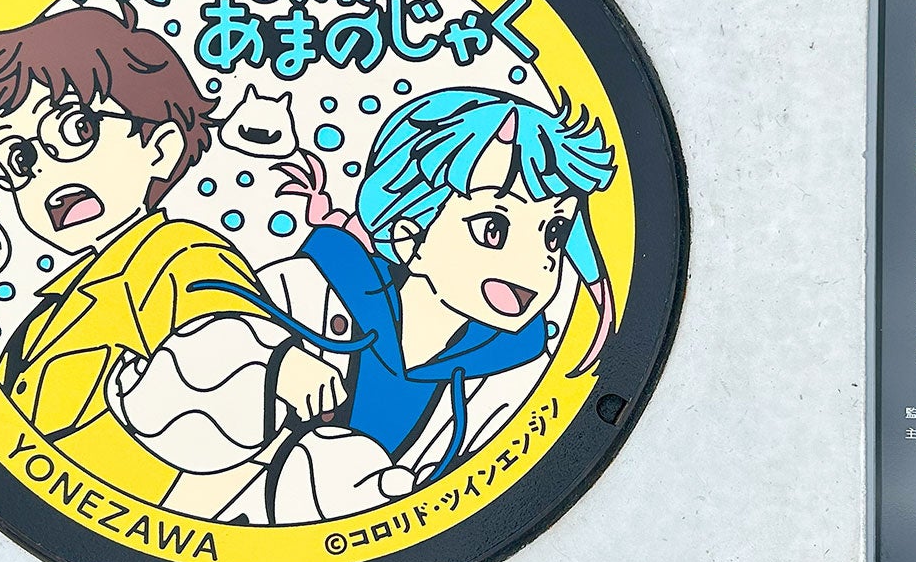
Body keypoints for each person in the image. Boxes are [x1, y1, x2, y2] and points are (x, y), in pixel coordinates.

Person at [121, 87, 621, 525]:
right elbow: (168, 393)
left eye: (553, 233)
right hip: (215, 529)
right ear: (409, 237)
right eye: (493, 229)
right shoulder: (311, 290)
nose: (535, 264)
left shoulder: (513, 373)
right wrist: (276, 366)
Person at [0, 3, 272, 505]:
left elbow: (240, 349)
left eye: (75, 130)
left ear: (161, 148)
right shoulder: (41, 319)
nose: (45, 173)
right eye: (19, 158)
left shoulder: (179, 254)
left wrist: (285, 370)